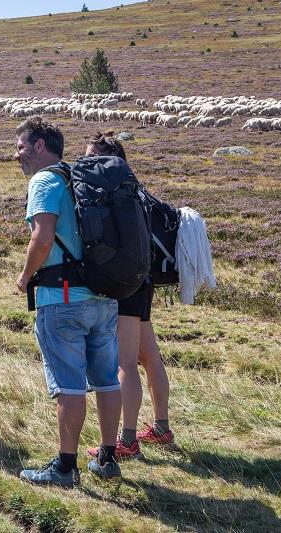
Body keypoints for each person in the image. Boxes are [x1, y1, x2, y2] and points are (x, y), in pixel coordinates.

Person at [14, 117, 122, 488]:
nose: (18, 155)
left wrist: (26, 275)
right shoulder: (83, 179)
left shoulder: (45, 181)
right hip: (104, 297)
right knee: (107, 379)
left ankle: (65, 467)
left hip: (62, 299)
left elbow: (42, 238)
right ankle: (108, 458)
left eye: (22, 147)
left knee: (69, 385)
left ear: (41, 146)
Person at [84, 132, 174, 461]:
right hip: (145, 280)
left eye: (90, 157)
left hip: (126, 284)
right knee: (149, 356)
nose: (85, 163)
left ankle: (128, 441)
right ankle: (162, 428)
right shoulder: (135, 190)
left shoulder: (113, 192)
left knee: (123, 363)